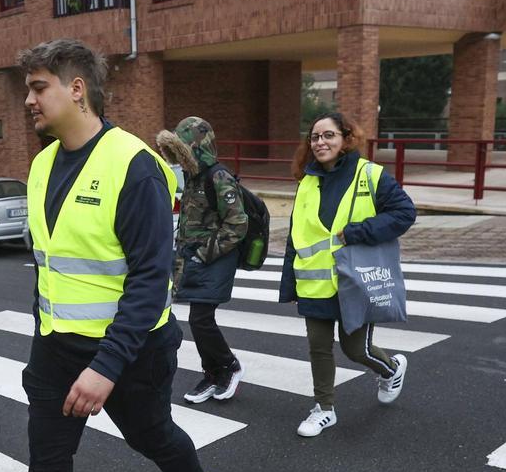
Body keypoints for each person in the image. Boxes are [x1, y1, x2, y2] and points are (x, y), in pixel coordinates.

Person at [0, 39, 216, 472]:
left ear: (77, 87)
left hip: (131, 351)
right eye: (28, 88)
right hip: (58, 348)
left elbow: (148, 281)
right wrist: (46, 340)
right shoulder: (40, 164)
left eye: (39, 87)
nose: (28, 100)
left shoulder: (133, 166)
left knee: (150, 436)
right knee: (48, 455)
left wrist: (105, 366)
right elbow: (52, 264)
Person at [279, 112, 416, 437]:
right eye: (314, 137)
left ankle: (391, 369)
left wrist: (359, 231)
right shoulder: (307, 182)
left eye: (328, 135)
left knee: (356, 350)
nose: (320, 142)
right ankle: (324, 408)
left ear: (345, 138)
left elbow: (404, 212)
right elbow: (296, 235)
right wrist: (289, 283)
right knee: (318, 346)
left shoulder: (370, 175)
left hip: (355, 281)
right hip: (314, 283)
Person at [155, 116, 247, 403]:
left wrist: (203, 253)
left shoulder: (218, 176)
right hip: (195, 261)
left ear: (198, 147)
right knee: (198, 321)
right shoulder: (193, 177)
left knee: (201, 319)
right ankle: (212, 374)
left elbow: (238, 224)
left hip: (214, 260)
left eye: (183, 151)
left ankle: (229, 367)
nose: (179, 159)